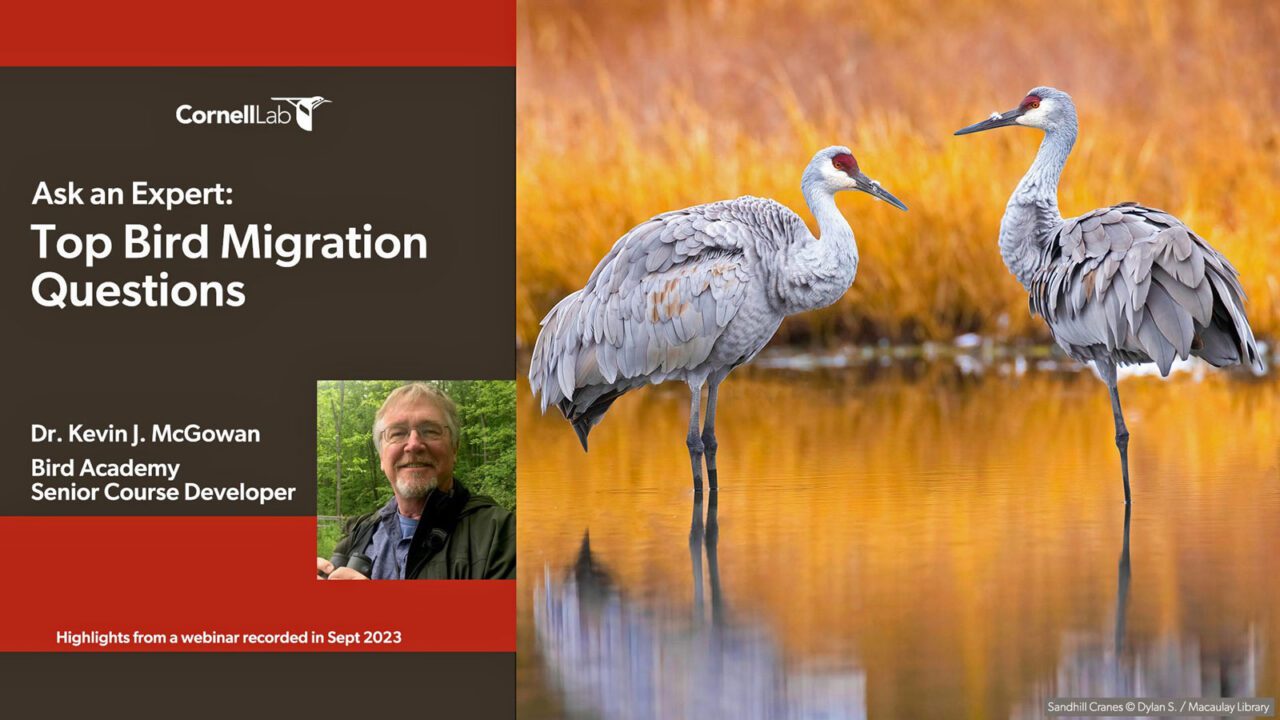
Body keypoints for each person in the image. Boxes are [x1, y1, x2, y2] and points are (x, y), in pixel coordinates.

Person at [318, 383, 515, 580]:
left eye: (430, 431)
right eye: (397, 433)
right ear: (381, 457)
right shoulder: (361, 534)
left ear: (454, 448)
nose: (413, 445)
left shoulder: (502, 534)